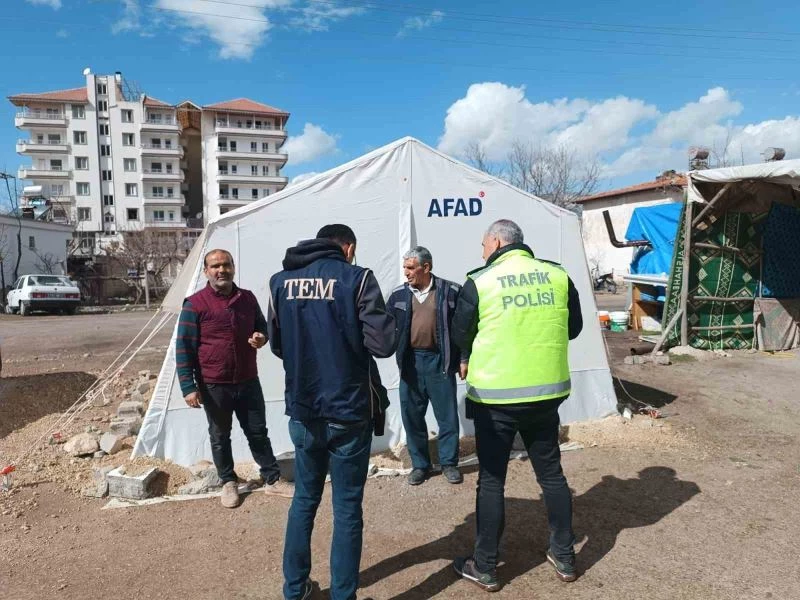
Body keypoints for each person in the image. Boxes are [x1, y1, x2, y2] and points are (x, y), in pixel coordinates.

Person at [450, 219, 584, 592]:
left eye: (482, 244)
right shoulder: (557, 276)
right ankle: (564, 555)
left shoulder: (481, 280)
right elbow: (573, 328)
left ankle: (487, 566)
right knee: (552, 476)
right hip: (545, 395)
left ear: (495, 241)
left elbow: (461, 332)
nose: (481, 251)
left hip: (497, 399)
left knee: (492, 480)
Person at [268, 224, 396, 600]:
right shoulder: (357, 279)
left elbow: (278, 345)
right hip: (348, 410)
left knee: (304, 501)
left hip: (304, 409)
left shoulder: (280, 281)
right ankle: (344, 595)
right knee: (347, 508)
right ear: (348, 247)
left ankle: (295, 590)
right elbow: (383, 344)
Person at [176, 248, 293, 509]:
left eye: (226, 265)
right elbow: (183, 348)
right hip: (213, 383)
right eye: (215, 266)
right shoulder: (194, 304)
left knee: (258, 432)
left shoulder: (247, 299)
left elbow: (261, 327)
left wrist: (261, 338)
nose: (221, 270)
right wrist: (188, 387)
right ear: (206, 271)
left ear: (233, 267)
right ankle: (228, 482)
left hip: (248, 380)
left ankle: (272, 479)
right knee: (220, 435)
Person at [387, 246, 463, 485]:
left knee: (447, 417)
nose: (406, 273)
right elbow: (387, 328)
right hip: (410, 363)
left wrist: (464, 358)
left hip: (440, 362)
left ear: (426, 267)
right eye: (404, 268)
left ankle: (449, 463)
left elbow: (463, 329)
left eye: (411, 268)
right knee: (412, 417)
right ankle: (420, 465)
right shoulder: (398, 295)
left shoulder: (450, 292)